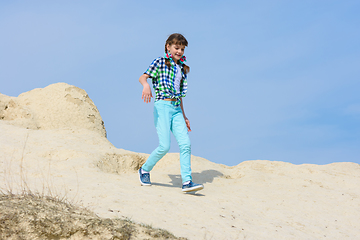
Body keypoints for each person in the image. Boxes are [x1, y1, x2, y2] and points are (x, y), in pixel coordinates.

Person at [138, 33, 204, 193]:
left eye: (182, 48)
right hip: (162, 106)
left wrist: (184, 115)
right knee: (165, 146)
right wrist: (146, 85)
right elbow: (143, 77)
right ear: (168, 46)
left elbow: (180, 96)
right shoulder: (160, 62)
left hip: (176, 109)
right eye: (176, 47)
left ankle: (187, 182)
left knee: (186, 144)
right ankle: (145, 170)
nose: (179, 51)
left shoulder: (182, 68)